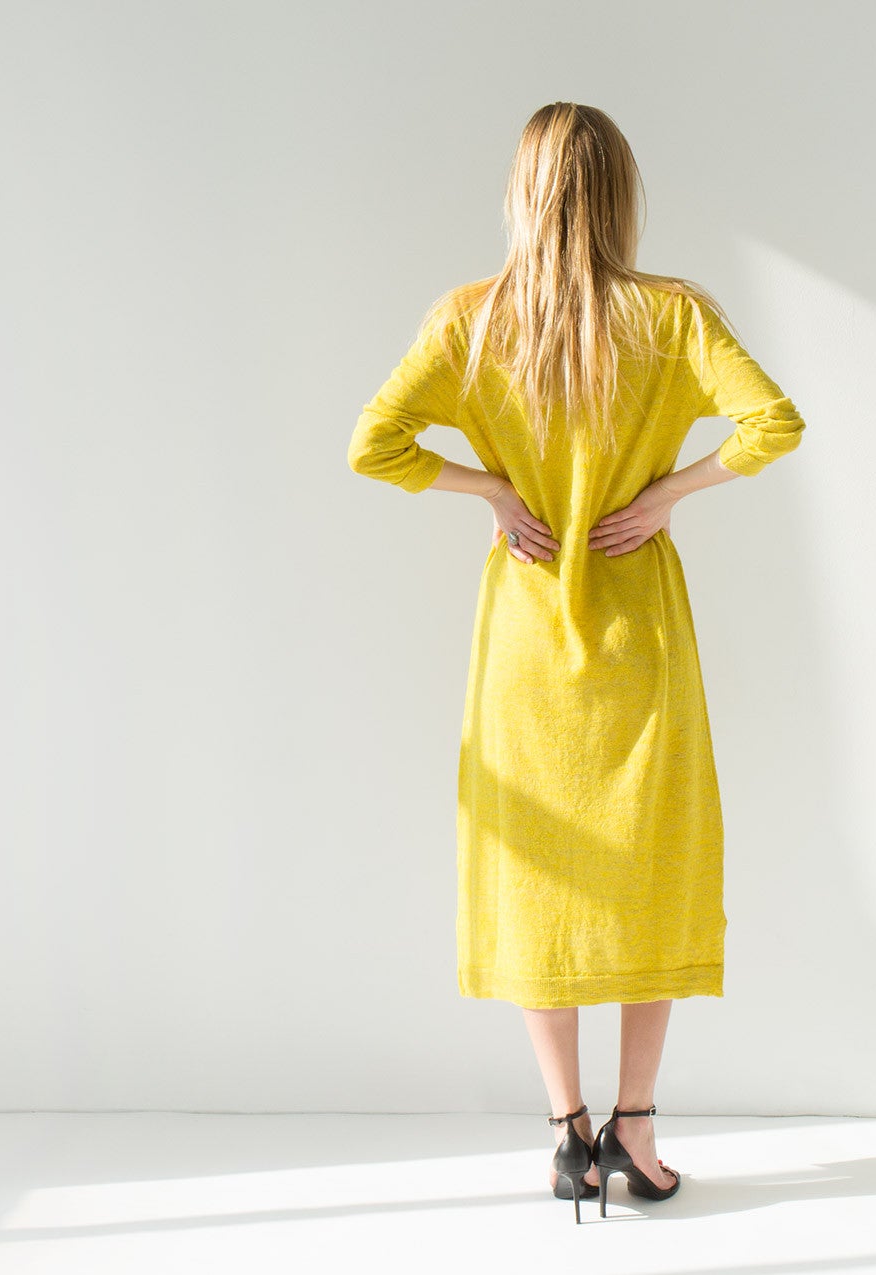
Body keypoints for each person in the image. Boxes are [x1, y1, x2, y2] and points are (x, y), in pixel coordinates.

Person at [347, 102, 805, 1221]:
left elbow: (375, 444)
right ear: (617, 197)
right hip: (637, 633)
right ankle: (635, 1129)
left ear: (522, 194)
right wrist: (667, 494)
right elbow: (772, 424)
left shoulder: (471, 321)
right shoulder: (671, 315)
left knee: (537, 878)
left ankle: (566, 1133)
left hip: (523, 644)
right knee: (652, 867)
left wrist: (492, 490)